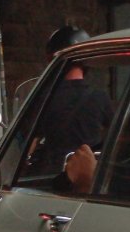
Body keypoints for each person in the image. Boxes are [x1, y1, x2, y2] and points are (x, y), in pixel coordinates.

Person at [26, 24, 113, 189]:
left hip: (52, 181)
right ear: (87, 61)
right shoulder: (99, 97)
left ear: (52, 60)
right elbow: (122, 134)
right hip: (87, 181)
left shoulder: (42, 98)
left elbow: (26, 143)